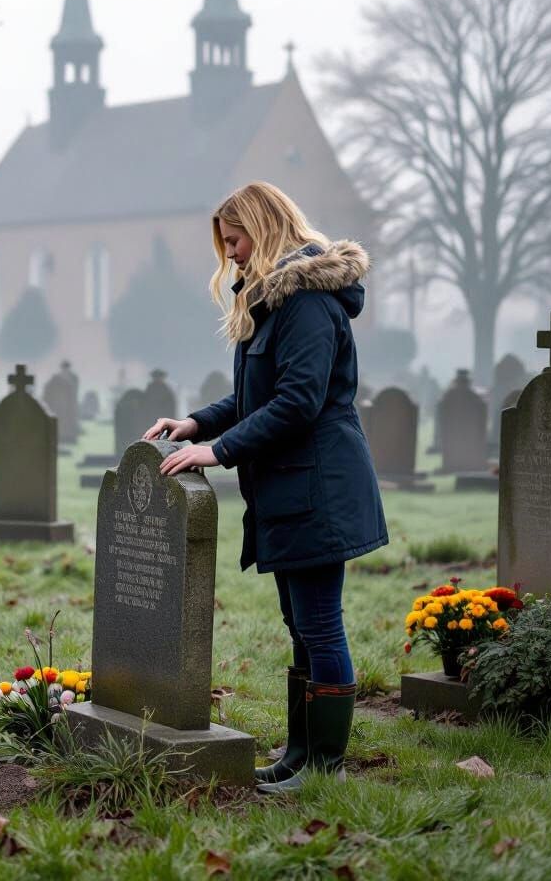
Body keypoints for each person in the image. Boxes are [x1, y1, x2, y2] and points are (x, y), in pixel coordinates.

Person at [143, 181, 387, 794]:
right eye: (226, 245)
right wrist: (197, 422)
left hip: (318, 487)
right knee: (300, 624)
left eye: (237, 240)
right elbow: (256, 394)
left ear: (267, 227)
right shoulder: (274, 299)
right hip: (289, 487)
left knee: (320, 623)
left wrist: (217, 450)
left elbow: (299, 402)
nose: (234, 255)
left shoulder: (305, 301)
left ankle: (323, 767)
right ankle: (299, 754)